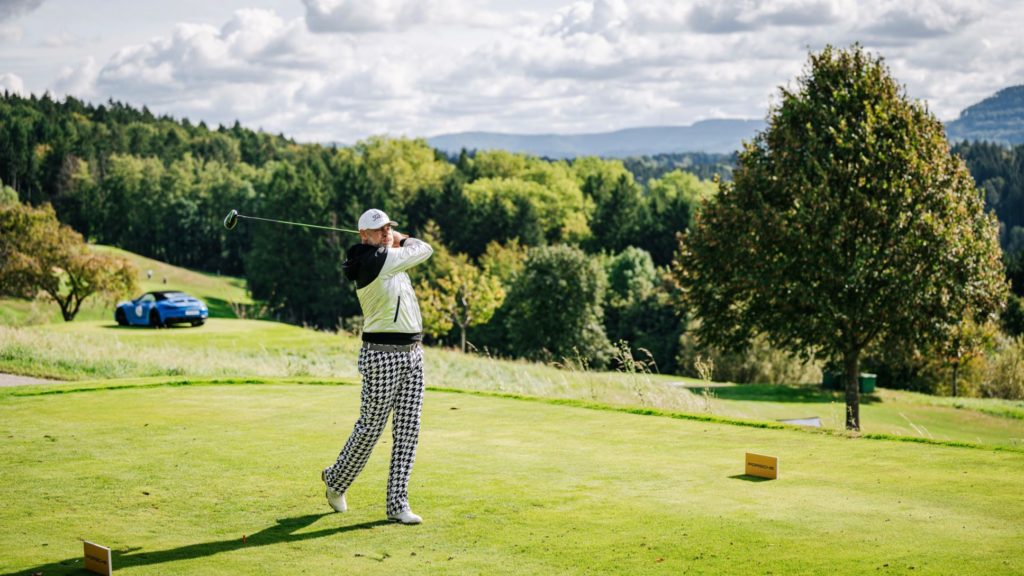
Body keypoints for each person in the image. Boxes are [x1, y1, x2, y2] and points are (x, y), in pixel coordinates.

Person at [321, 208, 433, 525]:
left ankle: (398, 504)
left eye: (388, 228)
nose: (386, 233)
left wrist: (393, 241)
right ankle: (335, 481)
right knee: (371, 428)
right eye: (379, 230)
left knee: (408, 430)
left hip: (412, 353)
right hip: (382, 355)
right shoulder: (375, 260)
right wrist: (403, 238)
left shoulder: (388, 258)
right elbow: (425, 249)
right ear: (364, 235)